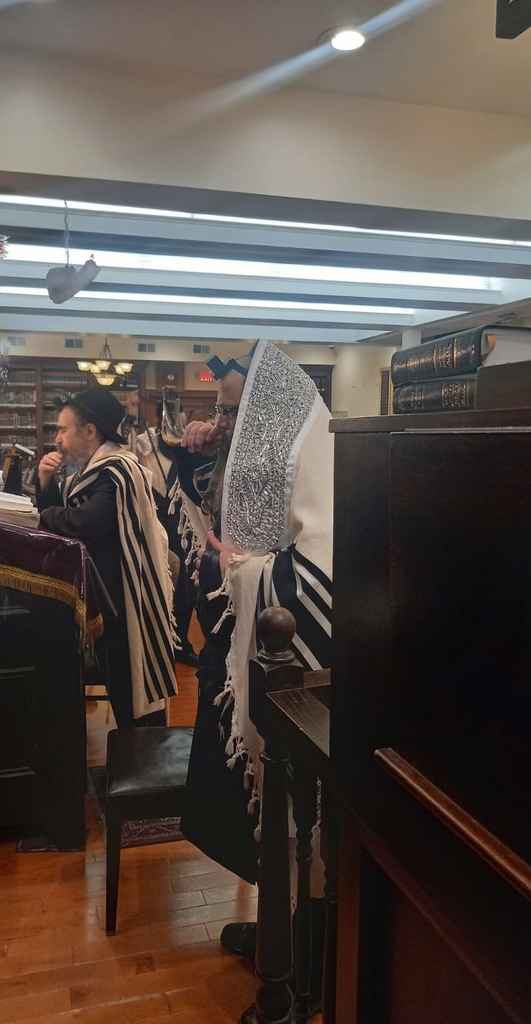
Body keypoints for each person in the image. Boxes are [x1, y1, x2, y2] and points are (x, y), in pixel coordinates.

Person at [174, 339, 333, 963]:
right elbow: (216, 522)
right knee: (250, 806)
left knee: (296, 811)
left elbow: (314, 578)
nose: (223, 424)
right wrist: (196, 455)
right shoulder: (241, 458)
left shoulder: (312, 460)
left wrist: (235, 569)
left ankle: (303, 947)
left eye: (235, 412)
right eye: (219, 410)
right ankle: (281, 924)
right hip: (238, 659)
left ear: (269, 417)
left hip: (290, 677)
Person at [35, 384, 177, 728]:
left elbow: (85, 523)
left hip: (127, 599)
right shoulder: (89, 473)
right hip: (107, 598)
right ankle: (135, 751)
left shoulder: (117, 470)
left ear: (89, 431)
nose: (57, 439)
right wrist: (45, 481)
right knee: (120, 686)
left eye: (62, 430)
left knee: (133, 691)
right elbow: (65, 521)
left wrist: (43, 513)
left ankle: (146, 755)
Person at [132, 400, 199, 667]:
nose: (175, 429)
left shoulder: (188, 445)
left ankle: (180, 644)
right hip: (154, 520)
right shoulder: (143, 444)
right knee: (159, 583)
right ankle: (158, 644)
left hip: (183, 523)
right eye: (170, 424)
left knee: (186, 590)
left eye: (179, 425)